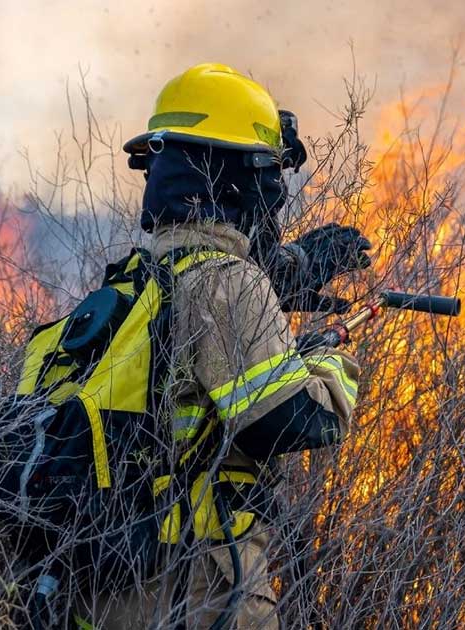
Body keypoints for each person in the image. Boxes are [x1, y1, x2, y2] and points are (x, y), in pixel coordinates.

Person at [70, 62, 370, 629]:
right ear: (240, 177)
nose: (276, 194)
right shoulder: (226, 282)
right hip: (199, 587)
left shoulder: (130, 280)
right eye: (269, 173)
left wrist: (285, 279)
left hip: (108, 589)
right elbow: (289, 422)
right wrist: (330, 360)